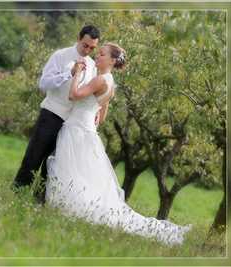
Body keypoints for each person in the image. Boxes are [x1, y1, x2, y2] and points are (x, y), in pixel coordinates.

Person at [45, 43, 192, 246]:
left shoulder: (98, 80)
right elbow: (101, 116)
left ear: (113, 60)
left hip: (77, 131)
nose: (97, 56)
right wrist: (90, 114)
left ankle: (70, 208)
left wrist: (77, 73)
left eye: (102, 54)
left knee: (72, 172)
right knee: (83, 175)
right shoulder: (110, 83)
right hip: (88, 131)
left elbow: (74, 95)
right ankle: (74, 208)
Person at [12, 25, 101, 203]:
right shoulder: (60, 55)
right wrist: (69, 73)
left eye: (92, 48)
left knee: (54, 164)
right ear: (78, 38)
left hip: (71, 123)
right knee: (34, 156)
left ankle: (40, 201)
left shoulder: (92, 66)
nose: (88, 50)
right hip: (51, 114)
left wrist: (96, 110)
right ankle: (18, 194)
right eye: (85, 45)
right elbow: (43, 83)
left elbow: (89, 93)